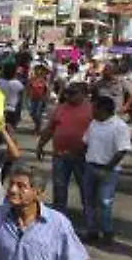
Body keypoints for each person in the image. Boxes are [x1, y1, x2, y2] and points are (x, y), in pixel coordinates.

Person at [82, 96, 132, 245]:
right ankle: (92, 231)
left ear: (103, 109)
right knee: (88, 201)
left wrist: (107, 168)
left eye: (94, 108)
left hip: (108, 171)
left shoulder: (119, 126)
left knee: (104, 202)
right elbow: (86, 142)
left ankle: (107, 231)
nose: (92, 111)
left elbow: (122, 150)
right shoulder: (94, 124)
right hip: (90, 167)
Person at [36, 82, 93, 212]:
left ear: (84, 94)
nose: (69, 96)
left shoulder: (92, 109)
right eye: (68, 93)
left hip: (83, 156)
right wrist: (40, 145)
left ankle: (90, 216)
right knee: (59, 188)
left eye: (73, 93)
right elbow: (50, 129)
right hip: (60, 155)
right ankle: (59, 216)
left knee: (86, 188)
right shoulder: (61, 108)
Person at [25, 65, 51, 136]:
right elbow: (28, 88)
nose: (38, 71)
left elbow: (48, 90)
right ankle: (37, 126)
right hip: (33, 99)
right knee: (32, 113)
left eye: (40, 70)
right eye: (37, 70)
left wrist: (46, 100)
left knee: (37, 114)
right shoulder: (32, 79)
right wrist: (27, 98)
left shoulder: (44, 80)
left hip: (41, 100)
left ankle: (37, 129)